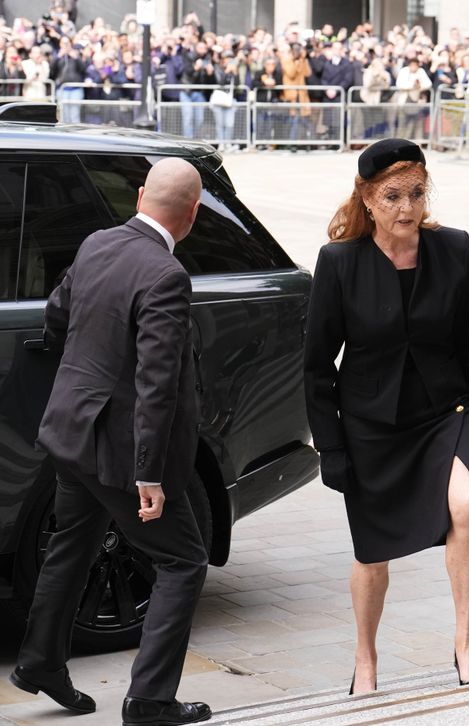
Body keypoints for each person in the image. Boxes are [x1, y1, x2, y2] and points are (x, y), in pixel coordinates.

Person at [9, 158, 212, 726]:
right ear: (193, 214)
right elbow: (157, 382)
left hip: (72, 436)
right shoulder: (166, 275)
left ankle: (41, 662)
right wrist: (149, 474)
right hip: (120, 456)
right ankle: (149, 701)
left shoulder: (97, 242)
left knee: (73, 544)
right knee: (183, 561)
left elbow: (57, 318)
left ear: (142, 195)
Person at [304, 139, 469, 694]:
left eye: (416, 193)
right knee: (372, 555)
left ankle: (466, 642)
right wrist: (333, 449)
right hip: (370, 426)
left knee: (468, 507)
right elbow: (317, 367)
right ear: (367, 198)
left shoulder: (454, 249)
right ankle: (365, 659)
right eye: (391, 196)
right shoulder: (339, 262)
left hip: (447, 412)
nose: (406, 209)